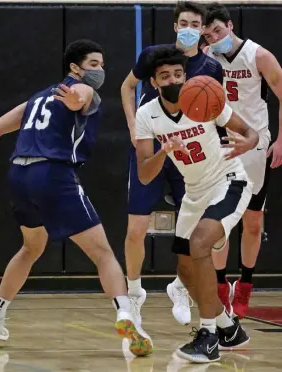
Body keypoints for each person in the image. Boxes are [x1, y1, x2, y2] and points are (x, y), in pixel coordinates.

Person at [0, 39, 152, 356]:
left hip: (19, 175)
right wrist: (77, 99)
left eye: (102, 65)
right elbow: (81, 97)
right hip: (52, 175)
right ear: (75, 68)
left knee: (31, 247)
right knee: (102, 252)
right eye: (93, 64)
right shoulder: (85, 91)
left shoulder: (36, 99)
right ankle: (125, 313)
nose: (100, 70)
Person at [136, 46, 256, 363]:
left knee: (201, 244)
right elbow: (145, 175)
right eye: (165, 76)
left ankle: (208, 338)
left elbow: (250, 132)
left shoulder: (206, 98)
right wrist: (163, 151)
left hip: (229, 181)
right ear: (153, 82)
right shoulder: (145, 115)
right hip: (194, 192)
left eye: (178, 73)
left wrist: (248, 141)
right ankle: (229, 329)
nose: (173, 79)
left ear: (186, 76)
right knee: (187, 272)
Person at [121, 0, 224, 327]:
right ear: (175, 26)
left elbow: (216, 115)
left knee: (194, 233)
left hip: (188, 156)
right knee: (136, 228)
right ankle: (134, 293)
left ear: (204, 30)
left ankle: (179, 286)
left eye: (196, 24)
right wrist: (131, 126)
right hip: (152, 148)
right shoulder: (153, 55)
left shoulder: (211, 69)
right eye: (184, 23)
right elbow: (126, 87)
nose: (190, 29)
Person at [203, 2, 282, 318]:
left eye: (217, 31)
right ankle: (221, 285)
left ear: (230, 25)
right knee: (222, 222)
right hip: (221, 144)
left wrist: (281, 139)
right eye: (208, 35)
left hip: (255, 144)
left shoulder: (259, 55)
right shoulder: (207, 59)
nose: (214, 38)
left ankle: (245, 284)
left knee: (252, 222)